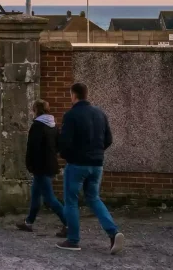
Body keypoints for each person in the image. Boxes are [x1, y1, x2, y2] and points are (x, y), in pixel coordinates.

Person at [57, 82, 124, 254]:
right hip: (97, 164)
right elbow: (108, 139)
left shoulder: (71, 115)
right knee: (94, 198)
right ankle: (113, 233)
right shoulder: (100, 114)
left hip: (77, 165)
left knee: (71, 201)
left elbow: (64, 142)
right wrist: (96, 153)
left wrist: (66, 155)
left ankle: (73, 240)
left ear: (74, 95)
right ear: (87, 94)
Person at [17, 100, 67, 236]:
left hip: (40, 166)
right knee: (35, 194)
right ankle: (29, 222)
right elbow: (58, 145)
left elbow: (32, 148)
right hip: (50, 164)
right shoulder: (54, 126)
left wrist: (29, 164)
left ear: (36, 110)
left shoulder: (37, 126)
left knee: (49, 198)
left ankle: (69, 223)